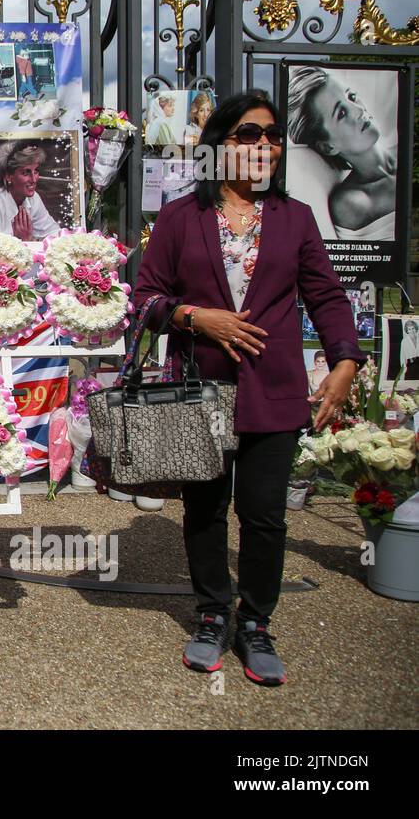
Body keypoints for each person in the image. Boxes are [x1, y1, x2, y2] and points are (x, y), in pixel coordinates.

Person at [132, 89, 363, 687]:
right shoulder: (183, 218)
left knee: (263, 516)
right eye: (250, 134)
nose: (265, 144)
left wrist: (344, 361)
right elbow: (146, 297)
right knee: (205, 511)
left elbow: (328, 297)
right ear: (220, 146)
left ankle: (255, 621)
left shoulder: (296, 218)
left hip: (274, 390)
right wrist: (192, 318)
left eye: (272, 135)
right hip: (200, 391)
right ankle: (212, 612)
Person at [287, 66, 396, 241]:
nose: (359, 111)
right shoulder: (352, 203)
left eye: (352, 97)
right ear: (327, 147)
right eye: (342, 113)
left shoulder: (405, 154)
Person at [0, 144, 61, 241]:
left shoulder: (33, 198)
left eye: (36, 171)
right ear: (8, 176)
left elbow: (55, 234)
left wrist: (28, 239)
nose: (34, 179)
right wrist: (25, 240)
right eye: (26, 173)